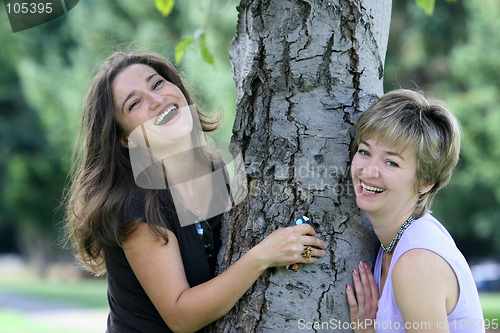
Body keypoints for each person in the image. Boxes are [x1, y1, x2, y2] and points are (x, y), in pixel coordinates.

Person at [63, 49, 327, 333]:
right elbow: (181, 315)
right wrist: (264, 255)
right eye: (135, 103)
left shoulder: (211, 169)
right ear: (124, 138)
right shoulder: (133, 205)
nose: (156, 99)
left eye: (157, 83)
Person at [345, 89, 485, 332]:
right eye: (365, 152)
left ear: (425, 182)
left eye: (391, 162)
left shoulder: (416, 262)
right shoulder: (393, 241)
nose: (368, 171)